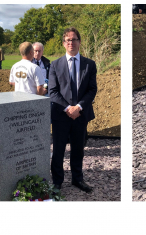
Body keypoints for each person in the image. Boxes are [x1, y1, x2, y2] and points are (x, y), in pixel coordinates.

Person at [49, 27, 97, 192]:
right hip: (61, 115)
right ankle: (57, 181)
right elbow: (53, 92)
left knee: (78, 149)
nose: (71, 42)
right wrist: (69, 108)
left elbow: (92, 90)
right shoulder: (55, 65)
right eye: (68, 40)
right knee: (58, 150)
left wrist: (79, 107)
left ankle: (77, 179)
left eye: (74, 39)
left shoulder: (90, 64)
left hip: (81, 115)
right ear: (64, 43)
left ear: (79, 42)